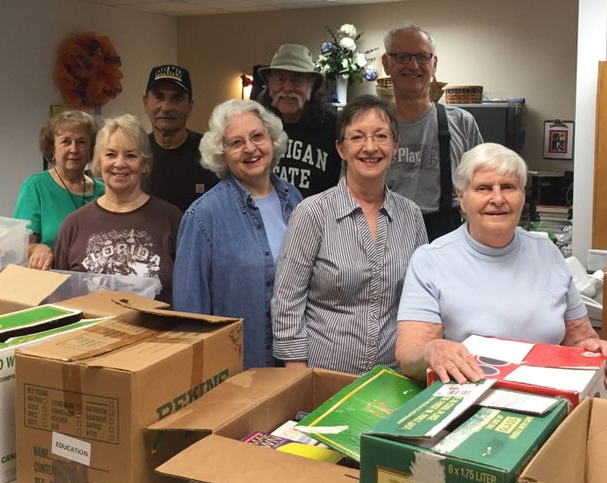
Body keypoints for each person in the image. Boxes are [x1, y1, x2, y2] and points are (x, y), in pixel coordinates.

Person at [395, 142, 607, 388]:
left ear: (523, 195)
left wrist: (597, 353)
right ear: (461, 197)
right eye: (483, 188)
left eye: (508, 187)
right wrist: (431, 350)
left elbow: (580, 340)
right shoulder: (431, 260)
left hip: (549, 395)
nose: (498, 198)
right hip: (468, 400)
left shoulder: (548, 253)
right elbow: (409, 356)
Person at [271, 95, 427, 375]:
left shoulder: (411, 216)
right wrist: (297, 378)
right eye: (357, 137)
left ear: (395, 146)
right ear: (341, 149)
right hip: (323, 378)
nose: (370, 147)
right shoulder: (312, 213)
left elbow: (421, 300)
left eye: (381, 136)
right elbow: (287, 301)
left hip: (391, 378)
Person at [173, 99, 302, 369]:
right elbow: (190, 316)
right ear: (221, 153)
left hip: (295, 363)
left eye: (257, 136)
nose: (251, 148)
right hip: (238, 372)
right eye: (236, 142)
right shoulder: (202, 217)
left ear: (272, 140)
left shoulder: (295, 199)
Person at [51, 114, 182, 304]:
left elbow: (189, 292)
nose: (119, 164)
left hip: (156, 332)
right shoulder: (74, 224)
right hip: (90, 333)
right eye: (110, 154)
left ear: (144, 164)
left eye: (130, 155)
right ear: (98, 162)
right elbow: (59, 298)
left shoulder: (171, 219)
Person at [381, 23, 484, 241]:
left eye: (422, 57)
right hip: (384, 235)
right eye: (402, 57)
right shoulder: (371, 125)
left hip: (447, 233)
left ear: (434, 64)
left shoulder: (461, 122)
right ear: (386, 63)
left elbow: (482, 186)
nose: (414, 65)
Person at [14, 110, 105, 270]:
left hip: (97, 282)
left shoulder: (104, 190)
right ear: (52, 149)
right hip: (51, 284)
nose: (74, 149)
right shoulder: (36, 186)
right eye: (66, 142)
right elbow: (19, 247)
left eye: (81, 142)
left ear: (91, 149)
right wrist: (36, 248)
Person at [257, 43, 343, 198]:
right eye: (280, 79)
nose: (288, 88)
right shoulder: (256, 126)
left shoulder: (335, 128)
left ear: (312, 86)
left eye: (297, 80)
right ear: (269, 84)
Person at [142, 64, 219, 212]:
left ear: (190, 106)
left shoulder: (212, 154)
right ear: (145, 103)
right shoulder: (135, 153)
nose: (166, 107)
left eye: (176, 98)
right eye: (159, 97)